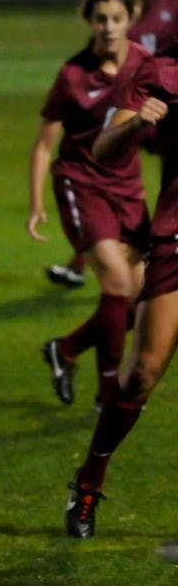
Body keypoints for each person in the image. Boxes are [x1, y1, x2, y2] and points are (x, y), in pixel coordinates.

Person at [65, 40, 178, 541]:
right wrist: (136, 124)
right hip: (176, 241)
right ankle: (90, 478)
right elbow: (104, 147)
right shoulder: (162, 71)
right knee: (141, 375)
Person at [27, 0, 152, 415]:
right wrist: (36, 203)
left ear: (131, 20)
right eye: (101, 19)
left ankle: (65, 349)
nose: (109, 27)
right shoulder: (73, 75)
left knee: (139, 301)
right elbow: (44, 145)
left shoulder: (144, 63)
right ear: (90, 23)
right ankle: (107, 394)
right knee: (117, 284)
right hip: (81, 184)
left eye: (117, 18)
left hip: (128, 188)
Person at [46, 0, 178, 288]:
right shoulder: (120, 7)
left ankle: (154, 252)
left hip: (168, 101)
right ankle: (85, 258)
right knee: (104, 168)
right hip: (135, 102)